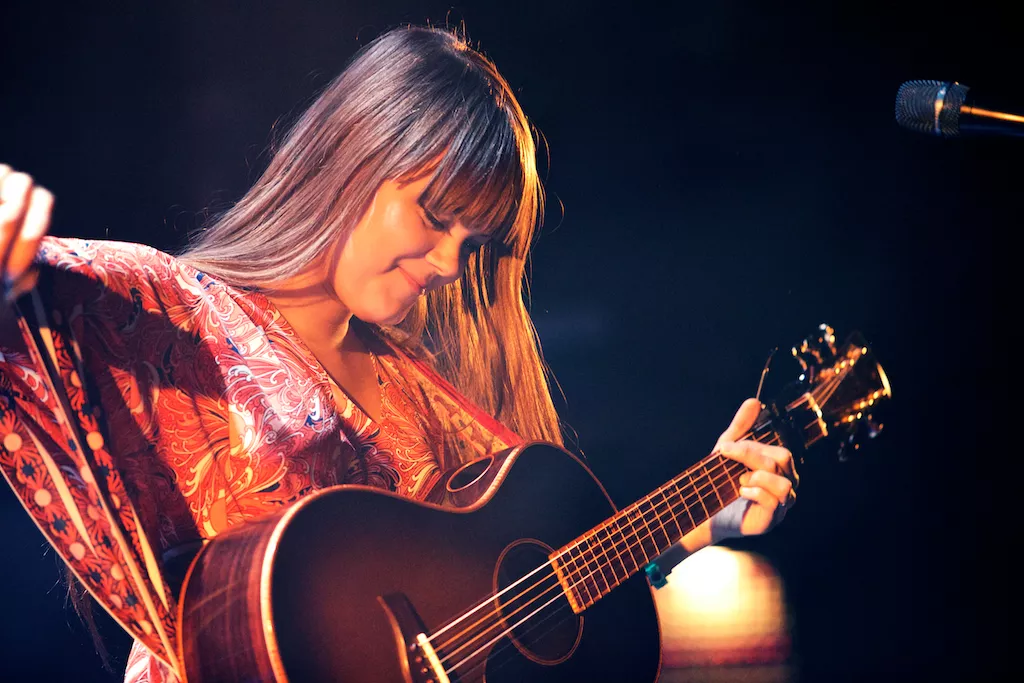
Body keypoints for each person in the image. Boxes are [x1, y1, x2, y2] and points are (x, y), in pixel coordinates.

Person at [0, 25, 798, 683]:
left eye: (471, 240)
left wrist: (695, 520)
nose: (450, 262)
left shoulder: (426, 399)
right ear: (356, 156)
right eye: (434, 214)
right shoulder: (170, 310)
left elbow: (539, 581)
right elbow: (30, 290)